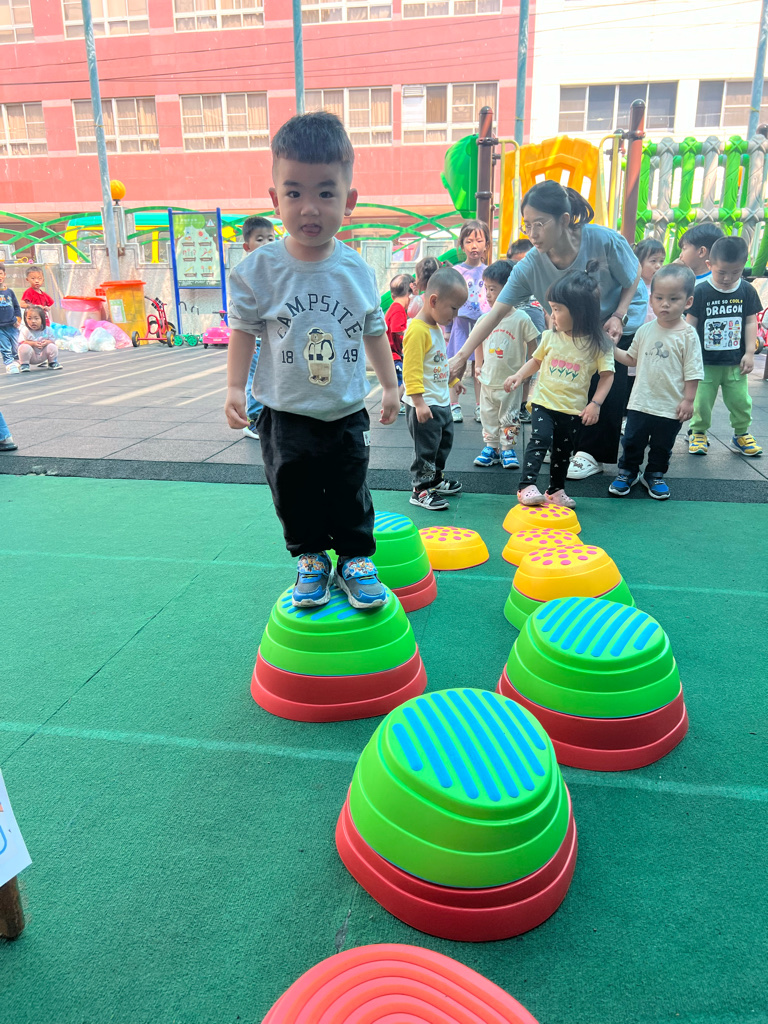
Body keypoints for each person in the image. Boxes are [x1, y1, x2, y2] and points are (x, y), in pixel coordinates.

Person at [224, 112, 399, 610]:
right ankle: (311, 557)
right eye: (294, 192)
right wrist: (234, 388)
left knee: (350, 485)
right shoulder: (258, 270)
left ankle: (355, 557)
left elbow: (373, 329)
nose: (309, 208)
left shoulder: (356, 270)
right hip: (284, 412)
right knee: (292, 489)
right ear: (275, 198)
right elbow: (243, 331)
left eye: (325, 193)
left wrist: (390, 386)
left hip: (345, 408)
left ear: (349, 199)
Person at [448, 181, 642, 482]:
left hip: (615, 315)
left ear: (564, 220)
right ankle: (569, 442)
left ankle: (591, 453)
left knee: (604, 372)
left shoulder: (602, 240)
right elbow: (495, 313)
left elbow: (633, 274)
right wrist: (461, 356)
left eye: (539, 224)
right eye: (527, 225)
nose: (532, 233)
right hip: (572, 322)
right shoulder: (530, 265)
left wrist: (619, 315)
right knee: (568, 375)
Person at [503, 262, 615, 508]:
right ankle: (526, 485)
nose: (551, 315)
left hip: (573, 409)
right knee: (540, 439)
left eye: (557, 309)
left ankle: (555, 490)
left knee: (564, 452)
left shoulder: (598, 344)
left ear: (580, 312)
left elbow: (607, 376)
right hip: (544, 402)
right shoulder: (550, 337)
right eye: (551, 308)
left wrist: (595, 404)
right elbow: (536, 361)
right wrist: (519, 376)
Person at [609, 265, 703, 501]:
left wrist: (689, 400)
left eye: (673, 299)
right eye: (659, 298)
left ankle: (654, 474)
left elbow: (693, 371)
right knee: (632, 440)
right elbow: (631, 359)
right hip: (641, 401)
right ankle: (627, 472)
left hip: (671, 406)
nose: (665, 304)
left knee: (662, 445)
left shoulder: (688, 335)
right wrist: (611, 349)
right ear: (651, 299)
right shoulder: (644, 330)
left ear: (688, 301)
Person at [686, 235, 763, 457]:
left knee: (741, 401)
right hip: (705, 362)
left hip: (735, 361)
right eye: (721, 273)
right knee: (701, 401)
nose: (728, 278)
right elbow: (691, 323)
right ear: (709, 264)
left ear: (744, 266)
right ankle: (698, 432)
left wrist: (750, 352)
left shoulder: (746, 291)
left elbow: (750, 322)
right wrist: (688, 353)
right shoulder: (701, 291)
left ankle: (741, 433)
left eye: (735, 272)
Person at [403, 266, 467, 510]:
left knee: (443, 443)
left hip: (440, 401)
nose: (455, 315)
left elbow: (438, 363)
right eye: (453, 308)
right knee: (426, 449)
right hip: (425, 404)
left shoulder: (435, 328)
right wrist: (418, 402)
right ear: (433, 300)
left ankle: (435, 480)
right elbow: (411, 370)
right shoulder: (417, 330)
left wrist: (453, 381)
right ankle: (420, 489)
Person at [473, 260, 539, 470]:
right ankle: (491, 447)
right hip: (488, 379)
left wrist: (527, 370)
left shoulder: (521, 318)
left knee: (510, 416)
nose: (488, 294)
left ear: (510, 289)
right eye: (486, 288)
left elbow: (534, 346)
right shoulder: (484, 319)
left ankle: (507, 448)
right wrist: (478, 365)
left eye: (493, 289)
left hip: (510, 382)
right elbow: (477, 342)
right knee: (488, 415)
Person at [447, 219, 491, 424]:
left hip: (483, 326)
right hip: (461, 324)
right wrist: (447, 328)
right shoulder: (457, 272)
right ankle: (453, 404)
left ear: (486, 244)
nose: (474, 246)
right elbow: (448, 301)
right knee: (457, 363)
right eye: (469, 241)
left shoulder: (489, 272)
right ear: (462, 245)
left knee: (480, 367)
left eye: (479, 241)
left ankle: (480, 405)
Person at [240, 216, 276, 439]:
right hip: (256, 338)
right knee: (255, 379)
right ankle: (254, 420)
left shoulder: (276, 268)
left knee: (272, 379)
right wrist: (249, 339)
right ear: (247, 246)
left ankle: (267, 417)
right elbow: (242, 313)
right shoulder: (248, 273)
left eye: (270, 239)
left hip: (273, 338)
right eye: (259, 239)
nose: (266, 243)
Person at [506, 236, 546, 421]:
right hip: (513, 334)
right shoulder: (510, 286)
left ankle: (522, 404)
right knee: (512, 366)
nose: (522, 267)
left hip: (535, 333)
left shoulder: (540, 282)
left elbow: (547, 310)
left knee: (530, 368)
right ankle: (508, 402)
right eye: (517, 263)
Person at [385, 272, 412, 413]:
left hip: (391, 353)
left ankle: (395, 403)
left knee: (397, 381)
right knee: (401, 381)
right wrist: (410, 334)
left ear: (392, 295)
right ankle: (395, 404)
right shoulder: (399, 309)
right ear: (409, 294)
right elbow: (397, 329)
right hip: (393, 355)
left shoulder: (394, 307)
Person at [17, 306, 62, 371]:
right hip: (30, 356)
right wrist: (33, 344)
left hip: (43, 354)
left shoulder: (48, 329)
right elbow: (21, 342)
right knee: (23, 347)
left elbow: (52, 341)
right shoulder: (25, 330)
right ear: (25, 319)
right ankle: (24, 364)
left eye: (36, 318)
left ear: (42, 319)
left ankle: (52, 362)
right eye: (29, 318)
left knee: (52, 346)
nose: (33, 321)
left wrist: (46, 342)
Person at [0, 262, 21, 374]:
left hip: (12, 324)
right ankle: (9, 364)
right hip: (1, 327)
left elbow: (16, 306)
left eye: (0, 273)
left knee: (16, 344)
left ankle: (18, 361)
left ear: (4, 275)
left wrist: (18, 319)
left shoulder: (9, 292)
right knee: (5, 346)